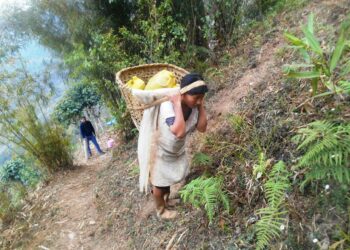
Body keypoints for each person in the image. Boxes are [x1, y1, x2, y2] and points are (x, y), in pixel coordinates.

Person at [151, 73, 208, 219]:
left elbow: (202, 128)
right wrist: (176, 104)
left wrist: (200, 105)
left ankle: (167, 201)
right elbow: (180, 132)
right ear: (182, 94)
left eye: (201, 97)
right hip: (160, 150)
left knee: (168, 179)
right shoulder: (167, 106)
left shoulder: (194, 107)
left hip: (176, 150)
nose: (198, 101)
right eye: (196, 98)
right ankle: (161, 211)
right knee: (159, 182)